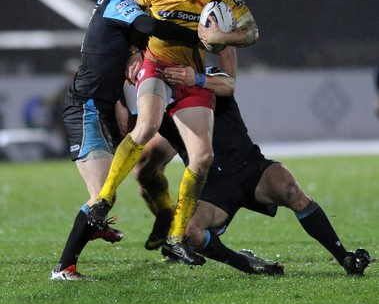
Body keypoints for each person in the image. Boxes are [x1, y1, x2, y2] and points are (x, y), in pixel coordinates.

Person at [87, 0, 258, 265]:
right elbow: (129, 20)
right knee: (147, 128)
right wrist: (134, 56)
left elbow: (251, 32)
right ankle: (104, 198)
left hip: (190, 75)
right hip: (156, 64)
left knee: (203, 158)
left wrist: (223, 38)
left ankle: (177, 236)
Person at [132, 47, 371, 276]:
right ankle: (247, 264)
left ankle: (345, 258)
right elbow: (138, 140)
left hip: (249, 167)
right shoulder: (156, 101)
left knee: (291, 190)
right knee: (188, 233)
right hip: (211, 186)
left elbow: (228, 85)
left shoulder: (207, 76)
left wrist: (195, 78)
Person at [50, 0, 201, 281]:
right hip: (86, 108)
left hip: (103, 106)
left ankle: (166, 225)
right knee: (102, 194)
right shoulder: (118, 1)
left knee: (144, 161)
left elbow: (118, 56)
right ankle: (64, 268)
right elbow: (148, 26)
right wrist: (196, 33)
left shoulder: (114, 12)